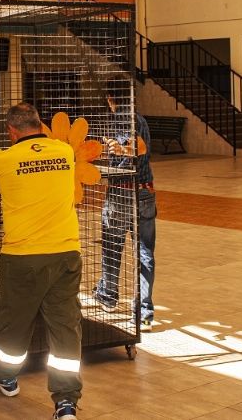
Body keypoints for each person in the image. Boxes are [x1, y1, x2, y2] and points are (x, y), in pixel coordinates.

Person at [0, 103, 82, 420]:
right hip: (66, 254)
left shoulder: (3, 159)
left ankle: (4, 374)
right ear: (41, 125)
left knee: (13, 324)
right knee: (65, 327)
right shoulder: (65, 152)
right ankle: (66, 403)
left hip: (22, 257)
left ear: (11, 131)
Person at [93, 88, 157, 333]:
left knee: (112, 245)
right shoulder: (139, 118)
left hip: (122, 191)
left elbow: (137, 147)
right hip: (145, 191)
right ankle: (145, 313)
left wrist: (120, 149)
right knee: (144, 252)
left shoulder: (121, 117)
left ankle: (108, 296)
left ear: (111, 98)